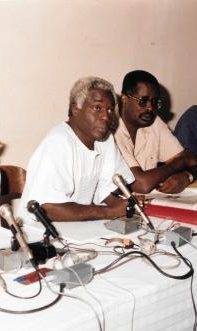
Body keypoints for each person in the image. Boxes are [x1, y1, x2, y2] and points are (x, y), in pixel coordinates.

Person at [18, 76, 135, 223]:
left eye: (111, 109)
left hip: (76, 230)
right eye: (97, 108)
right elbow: (47, 207)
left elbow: (105, 190)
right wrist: (109, 212)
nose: (106, 116)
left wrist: (126, 206)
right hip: (40, 232)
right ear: (75, 109)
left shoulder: (105, 139)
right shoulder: (59, 142)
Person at [114, 70, 197, 194]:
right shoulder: (110, 127)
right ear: (124, 99)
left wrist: (187, 176)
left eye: (155, 102)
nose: (150, 108)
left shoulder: (152, 121)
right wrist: (181, 163)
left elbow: (193, 161)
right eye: (143, 101)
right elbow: (142, 184)